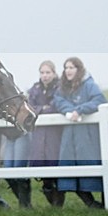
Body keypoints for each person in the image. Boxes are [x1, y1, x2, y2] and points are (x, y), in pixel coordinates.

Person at [53, 57, 106, 208]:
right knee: (69, 166)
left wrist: (80, 110)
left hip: (86, 134)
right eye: (66, 68)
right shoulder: (63, 87)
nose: (68, 71)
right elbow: (58, 101)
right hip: (70, 133)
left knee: (91, 164)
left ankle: (106, 203)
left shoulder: (89, 85)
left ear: (79, 69)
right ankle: (89, 202)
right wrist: (70, 111)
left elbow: (99, 100)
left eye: (71, 67)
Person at [27, 60, 63, 205]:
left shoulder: (60, 88)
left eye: (48, 72)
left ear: (54, 73)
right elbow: (30, 106)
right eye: (42, 72)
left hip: (55, 132)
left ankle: (58, 200)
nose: (45, 76)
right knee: (41, 165)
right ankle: (50, 195)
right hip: (39, 133)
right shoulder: (35, 88)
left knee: (56, 163)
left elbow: (56, 106)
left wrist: (40, 109)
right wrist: (43, 108)